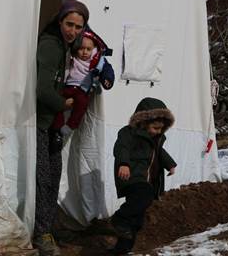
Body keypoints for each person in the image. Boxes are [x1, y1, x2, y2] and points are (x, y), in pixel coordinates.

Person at [33, 0, 89, 256]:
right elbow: (43, 89)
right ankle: (41, 234)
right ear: (60, 21)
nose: (73, 31)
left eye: (78, 27)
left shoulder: (67, 47)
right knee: (43, 179)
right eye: (69, 24)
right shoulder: (51, 45)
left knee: (53, 176)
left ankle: (47, 227)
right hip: (41, 121)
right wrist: (63, 103)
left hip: (53, 123)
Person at [111, 97, 177, 255]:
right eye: (155, 128)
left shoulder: (156, 139)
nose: (158, 131)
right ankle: (118, 218)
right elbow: (121, 148)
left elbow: (160, 153)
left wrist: (170, 164)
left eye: (161, 128)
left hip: (145, 179)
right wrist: (124, 164)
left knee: (137, 219)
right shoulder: (128, 133)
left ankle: (123, 248)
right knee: (145, 195)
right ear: (143, 122)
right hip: (132, 176)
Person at [50, 27, 114, 141]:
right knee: (57, 103)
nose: (85, 52)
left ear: (94, 48)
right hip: (68, 86)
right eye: (81, 49)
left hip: (82, 89)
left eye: (88, 49)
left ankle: (70, 125)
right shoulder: (71, 56)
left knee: (81, 105)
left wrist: (107, 79)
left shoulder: (97, 59)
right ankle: (57, 127)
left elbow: (106, 69)